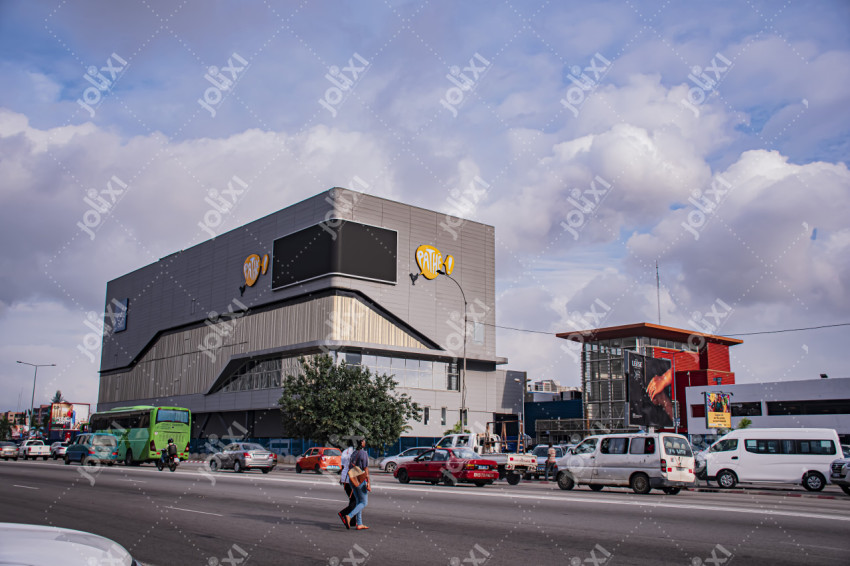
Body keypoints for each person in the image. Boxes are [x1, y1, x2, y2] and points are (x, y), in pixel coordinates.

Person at [344, 438, 370, 530]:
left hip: (352, 479)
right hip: (360, 480)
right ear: (361, 443)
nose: (365, 442)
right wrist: (368, 482)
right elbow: (365, 469)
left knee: (359, 501)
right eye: (364, 441)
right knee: (364, 502)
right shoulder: (363, 453)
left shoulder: (353, 453)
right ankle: (349, 516)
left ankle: (359, 523)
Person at [337, 442, 356, 530]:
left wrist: (342, 478)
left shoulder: (345, 451)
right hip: (351, 479)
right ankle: (343, 513)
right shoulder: (355, 452)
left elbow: (343, 466)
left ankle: (352, 521)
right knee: (355, 501)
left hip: (345, 479)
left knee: (352, 500)